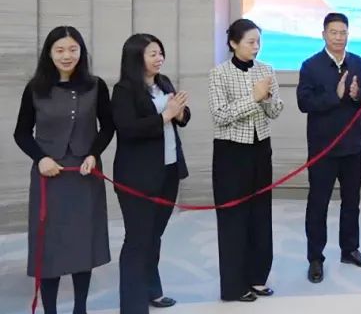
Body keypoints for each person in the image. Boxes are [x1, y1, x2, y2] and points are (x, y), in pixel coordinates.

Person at [12, 26, 114, 314]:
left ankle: (80, 308)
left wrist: (94, 153)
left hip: (84, 174)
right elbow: (21, 133)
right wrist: (40, 159)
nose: (67, 55)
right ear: (49, 53)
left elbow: (108, 126)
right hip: (49, 175)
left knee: (83, 243)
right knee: (50, 246)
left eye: (72, 49)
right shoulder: (35, 88)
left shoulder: (96, 86)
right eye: (59, 50)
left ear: (81, 52)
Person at [297, 13, 361, 283]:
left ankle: (350, 249)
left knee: (351, 201)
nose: (338, 37)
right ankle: (315, 258)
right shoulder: (310, 65)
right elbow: (304, 102)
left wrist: (359, 94)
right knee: (318, 204)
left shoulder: (357, 62)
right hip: (323, 149)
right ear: (324, 35)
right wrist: (336, 95)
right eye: (333, 32)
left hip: (352, 146)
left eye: (343, 32)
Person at [112, 34, 192, 312]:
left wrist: (179, 114)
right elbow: (127, 129)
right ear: (137, 58)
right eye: (153, 54)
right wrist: (166, 116)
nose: (160, 58)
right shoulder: (124, 90)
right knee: (137, 239)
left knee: (154, 236)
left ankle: (152, 290)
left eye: (160, 53)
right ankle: (133, 305)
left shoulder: (164, 82)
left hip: (168, 171)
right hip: (137, 177)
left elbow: (182, 116)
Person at [208, 19, 284, 302]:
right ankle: (233, 285)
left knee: (260, 215)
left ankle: (258, 277)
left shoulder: (266, 70)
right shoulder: (219, 73)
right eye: (251, 42)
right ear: (233, 43)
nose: (256, 47)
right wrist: (254, 98)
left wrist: (266, 99)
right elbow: (220, 115)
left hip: (260, 149)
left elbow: (275, 111)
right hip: (230, 152)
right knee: (233, 218)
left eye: (258, 42)